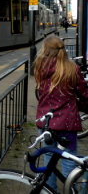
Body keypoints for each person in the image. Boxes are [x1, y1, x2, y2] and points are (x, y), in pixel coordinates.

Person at [34, 35, 88, 191]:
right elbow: (84, 94)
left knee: (48, 158)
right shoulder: (72, 69)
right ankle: (72, 189)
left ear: (46, 50)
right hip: (67, 123)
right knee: (69, 161)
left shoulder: (40, 67)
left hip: (46, 122)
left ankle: (49, 190)